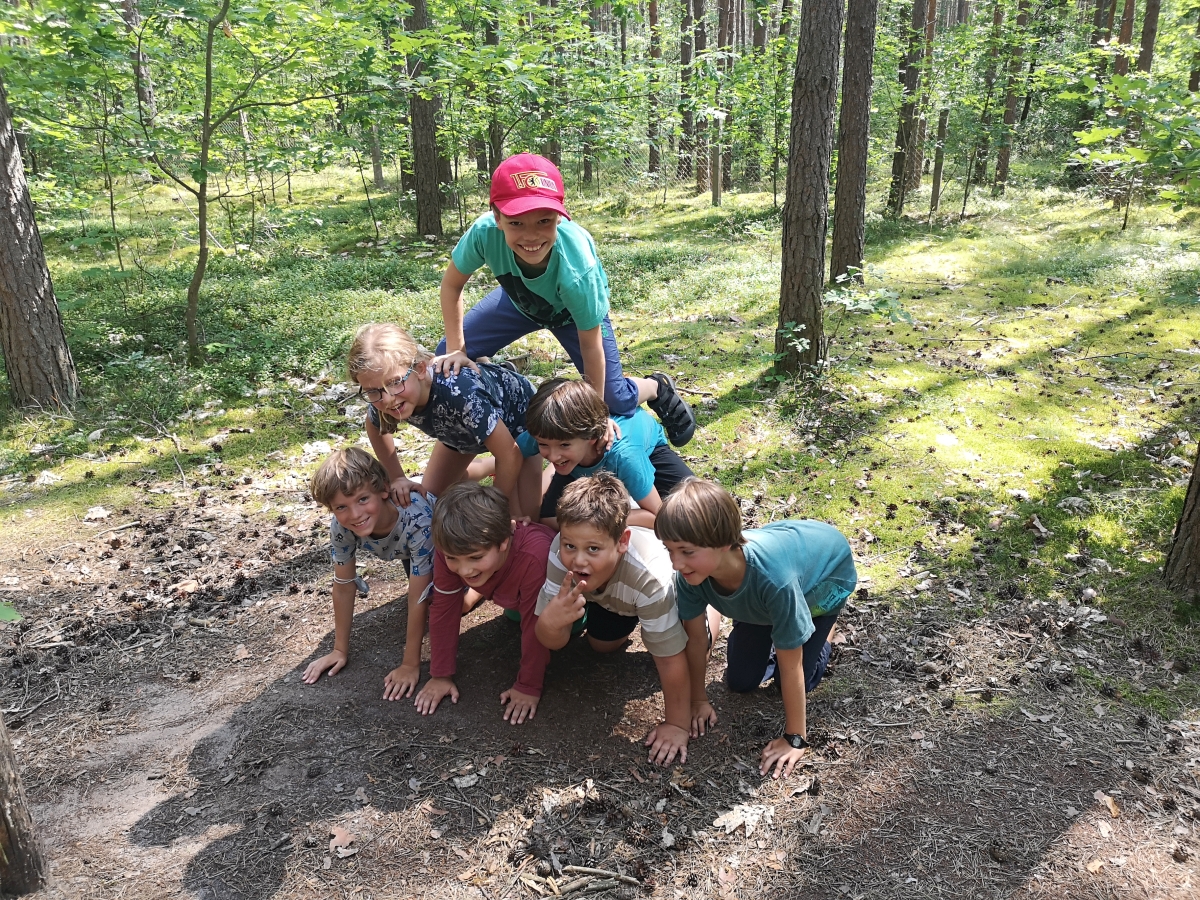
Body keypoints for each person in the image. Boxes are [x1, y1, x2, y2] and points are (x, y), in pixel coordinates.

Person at [432, 152, 696, 447]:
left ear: (559, 216)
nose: (531, 236)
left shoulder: (577, 266)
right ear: (497, 217)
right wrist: (457, 348)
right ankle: (500, 381)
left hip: (574, 317)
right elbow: (452, 285)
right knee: (447, 358)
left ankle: (655, 387)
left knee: (613, 398)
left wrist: (595, 414)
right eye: (516, 223)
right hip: (519, 302)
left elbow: (590, 341)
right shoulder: (484, 233)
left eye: (544, 221)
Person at [655, 478, 857, 780]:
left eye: (686, 551)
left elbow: (792, 668)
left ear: (723, 543)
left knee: (792, 678)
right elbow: (696, 641)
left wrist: (795, 738)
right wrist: (698, 699)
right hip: (765, 591)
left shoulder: (775, 581)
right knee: (741, 680)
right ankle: (782, 626)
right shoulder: (689, 576)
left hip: (823, 578)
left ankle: (821, 631)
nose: (675, 563)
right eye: (669, 550)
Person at [535, 473, 696, 766]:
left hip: (659, 596)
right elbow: (552, 641)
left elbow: (669, 659)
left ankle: (710, 612)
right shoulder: (560, 552)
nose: (578, 560)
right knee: (600, 647)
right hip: (616, 600)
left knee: (695, 647)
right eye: (571, 546)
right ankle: (633, 618)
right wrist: (550, 623)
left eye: (593, 549)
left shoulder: (651, 580)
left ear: (622, 541)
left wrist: (677, 724)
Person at [348, 322, 543, 520]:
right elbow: (374, 426)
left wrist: (497, 505)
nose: (388, 398)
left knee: (527, 520)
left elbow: (511, 455)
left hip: (519, 428)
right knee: (430, 501)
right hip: (458, 432)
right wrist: (396, 476)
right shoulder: (383, 395)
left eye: (395, 382)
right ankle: (491, 464)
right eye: (373, 391)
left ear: (420, 369)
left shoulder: (461, 393)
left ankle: (540, 470)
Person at [414, 482, 554, 725]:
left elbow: (535, 623)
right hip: (513, 596)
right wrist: (440, 674)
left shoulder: (535, 557)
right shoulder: (449, 547)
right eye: (453, 559)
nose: (464, 568)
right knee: (510, 612)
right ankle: (485, 592)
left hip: (559, 602)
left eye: (475, 557)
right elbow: (444, 608)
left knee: (570, 633)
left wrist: (528, 685)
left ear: (503, 542)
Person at [304, 448, 434, 698]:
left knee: (445, 603)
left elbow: (418, 597)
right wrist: (339, 650)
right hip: (408, 551)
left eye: (363, 499)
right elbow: (343, 584)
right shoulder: (342, 527)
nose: (355, 515)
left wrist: (410, 664)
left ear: (384, 489)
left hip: (446, 540)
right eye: (341, 507)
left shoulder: (418, 522)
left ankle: (489, 464)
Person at [524, 378, 693, 529]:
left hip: (649, 450)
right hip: (576, 463)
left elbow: (656, 516)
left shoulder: (626, 457)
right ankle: (557, 471)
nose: (552, 456)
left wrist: (597, 519)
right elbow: (510, 454)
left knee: (690, 510)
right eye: (543, 444)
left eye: (564, 445)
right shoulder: (547, 432)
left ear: (591, 436)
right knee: (548, 519)